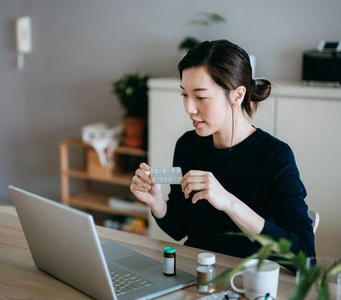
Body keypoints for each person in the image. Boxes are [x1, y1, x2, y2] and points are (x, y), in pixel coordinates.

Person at [130, 39, 315, 259]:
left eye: (201, 97)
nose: (189, 108)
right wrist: (156, 202)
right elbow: (179, 230)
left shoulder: (275, 156)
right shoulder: (188, 145)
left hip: (244, 282)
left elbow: (304, 255)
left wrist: (228, 202)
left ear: (237, 95)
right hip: (194, 273)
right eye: (184, 94)